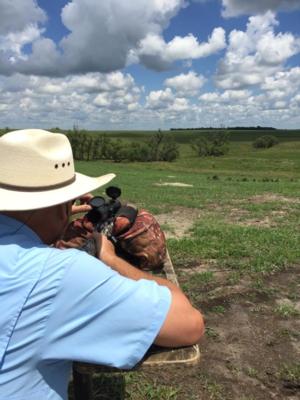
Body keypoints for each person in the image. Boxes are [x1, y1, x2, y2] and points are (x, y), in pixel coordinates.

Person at [0, 129, 204, 400]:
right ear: (63, 204)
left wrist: (48, 222)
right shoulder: (60, 274)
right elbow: (189, 324)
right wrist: (109, 257)